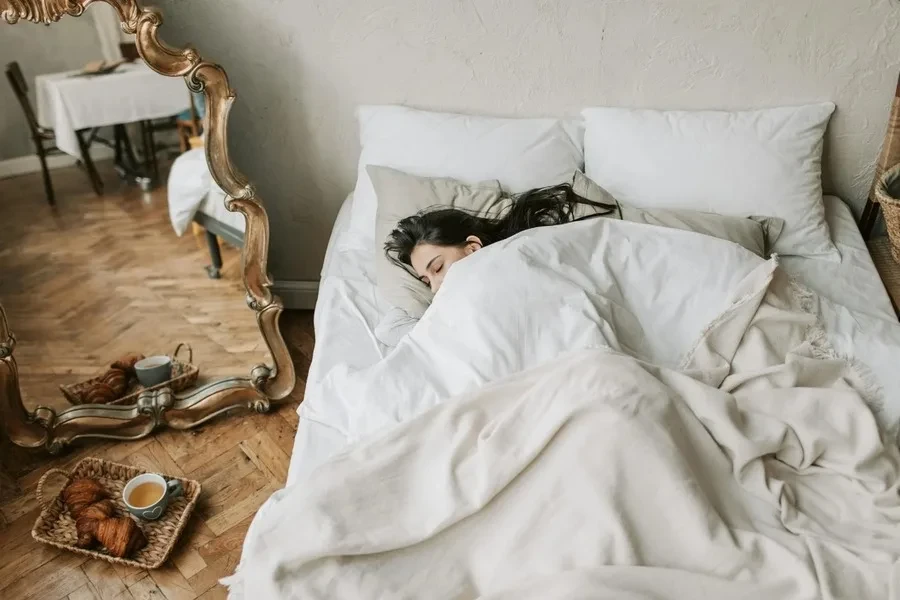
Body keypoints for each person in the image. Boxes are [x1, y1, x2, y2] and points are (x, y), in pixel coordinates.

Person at [384, 183, 616, 293]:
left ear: (472, 248)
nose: (435, 289)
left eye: (437, 268)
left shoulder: (523, 251)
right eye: (426, 282)